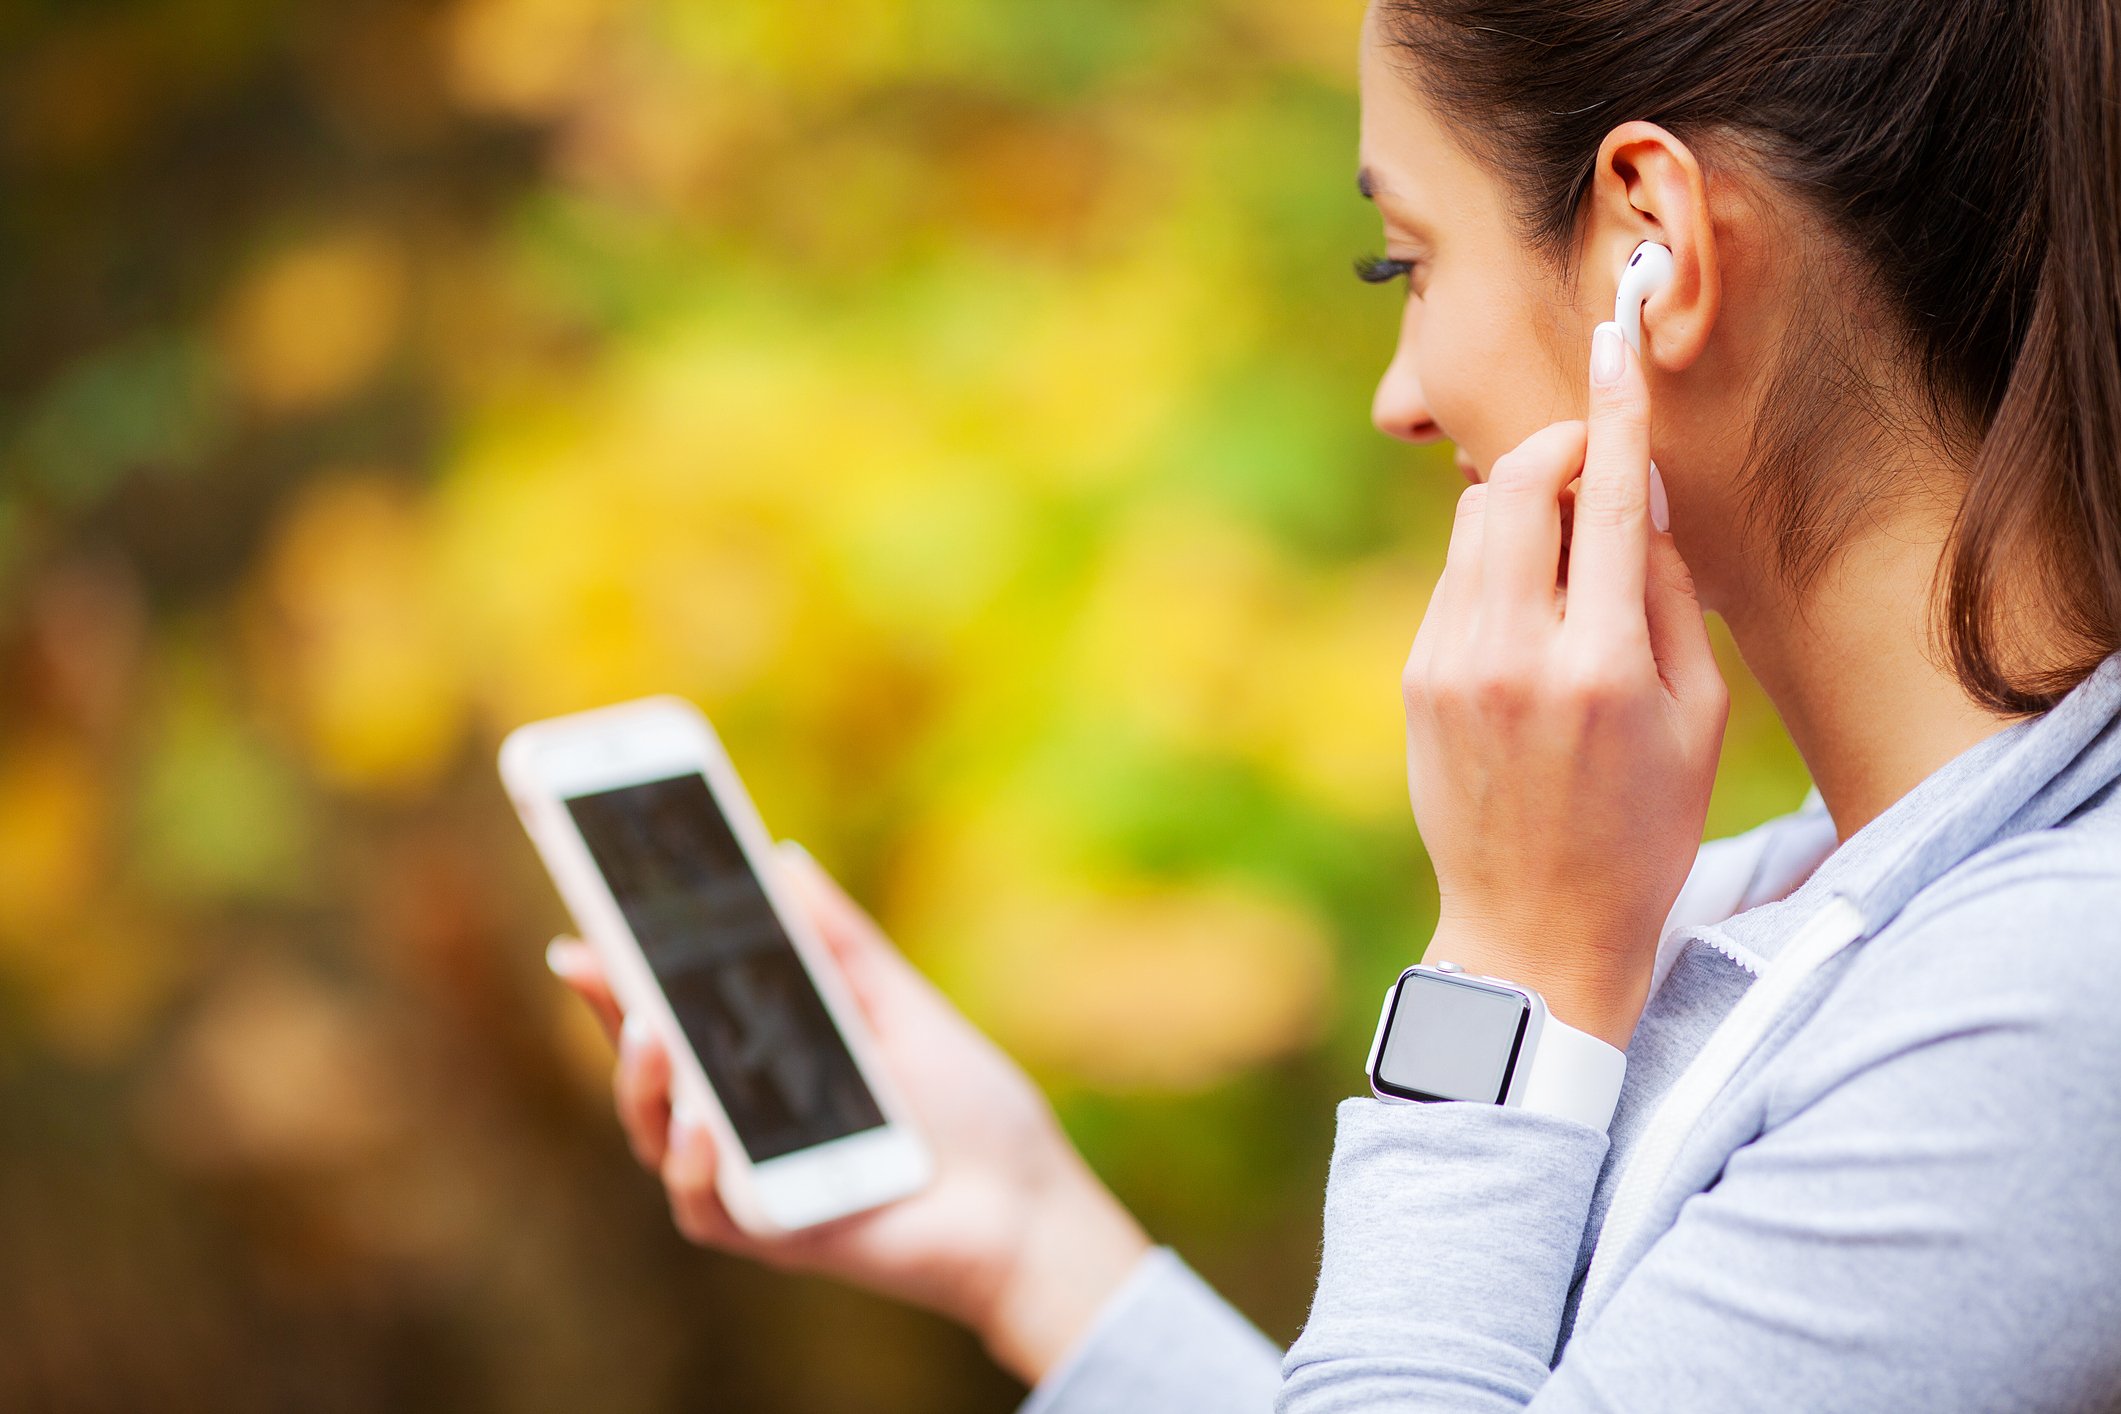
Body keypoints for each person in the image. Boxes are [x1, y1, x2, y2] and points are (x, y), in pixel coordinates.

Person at [547, 0, 2121, 1406]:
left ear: (1655, 247)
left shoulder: (2055, 993)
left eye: (1407, 262)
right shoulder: (1802, 902)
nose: (1398, 392)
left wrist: (1509, 970)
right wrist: (1027, 1239)